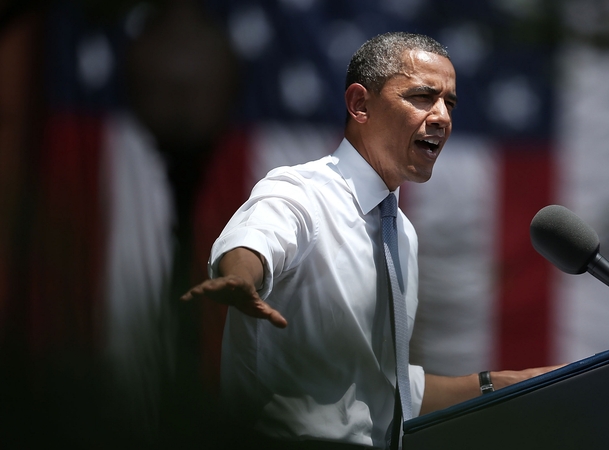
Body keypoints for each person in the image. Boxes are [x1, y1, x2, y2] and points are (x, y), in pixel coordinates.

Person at [181, 31, 558, 449]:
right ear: (360, 104)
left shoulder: (402, 235)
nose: (442, 116)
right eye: (421, 97)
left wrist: (498, 383)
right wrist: (241, 276)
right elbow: (257, 239)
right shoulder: (301, 190)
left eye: (449, 102)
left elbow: (382, 389)